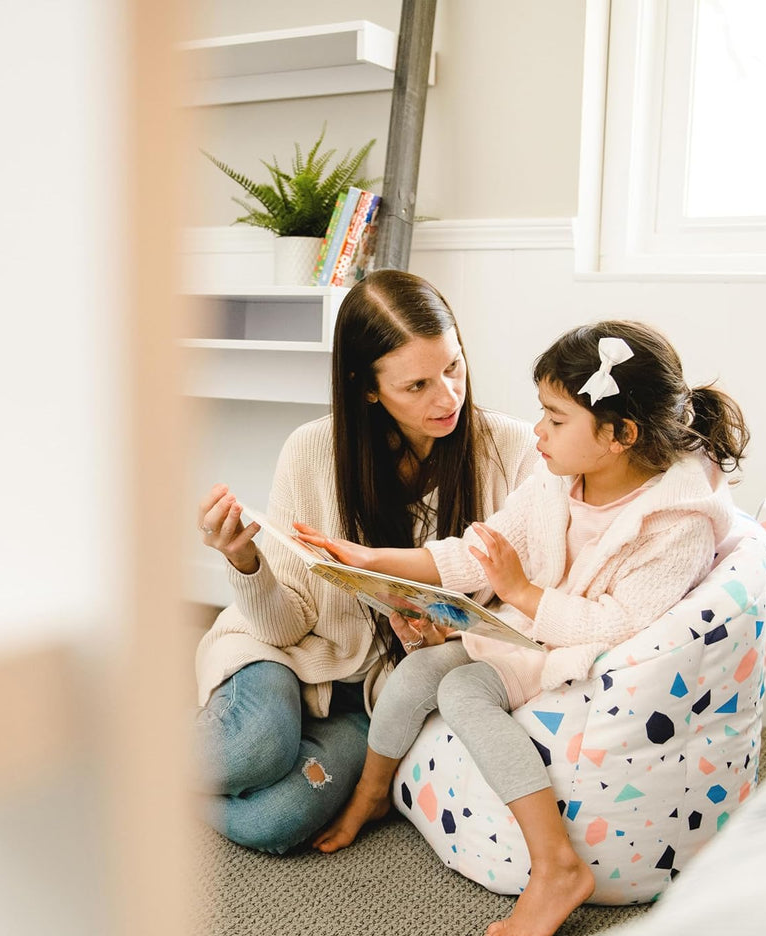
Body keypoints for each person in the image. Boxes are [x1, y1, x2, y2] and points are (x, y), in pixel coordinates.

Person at [298, 319, 750, 936]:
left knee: (460, 692)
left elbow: (621, 626)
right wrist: (371, 560)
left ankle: (556, 863)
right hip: (530, 635)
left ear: (619, 435)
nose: (536, 431)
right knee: (413, 677)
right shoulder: (559, 481)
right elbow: (478, 553)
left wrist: (521, 595)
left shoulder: (676, 523)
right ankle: (371, 794)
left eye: (556, 419)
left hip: (586, 662)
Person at [194, 269, 538, 855]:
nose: (447, 396)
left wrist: (436, 643)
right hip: (286, 653)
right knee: (254, 750)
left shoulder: (514, 451)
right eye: (417, 385)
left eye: (453, 367)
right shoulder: (311, 451)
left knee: (274, 822)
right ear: (369, 389)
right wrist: (246, 563)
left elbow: (514, 612)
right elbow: (285, 627)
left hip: (381, 700)